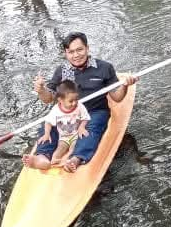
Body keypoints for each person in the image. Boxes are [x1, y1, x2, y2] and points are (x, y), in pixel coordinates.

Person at [32, 32, 137, 173]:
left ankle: (76, 159)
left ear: (87, 48)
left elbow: (117, 98)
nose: (76, 55)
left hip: (94, 111)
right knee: (47, 127)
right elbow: (48, 98)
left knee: (91, 130)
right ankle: (42, 156)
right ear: (66, 53)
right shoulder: (61, 72)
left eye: (79, 50)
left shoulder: (104, 68)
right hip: (67, 111)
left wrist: (125, 86)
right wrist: (41, 90)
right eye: (71, 52)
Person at [22, 80, 89, 170]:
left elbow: (85, 117)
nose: (74, 103)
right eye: (71, 101)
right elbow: (48, 122)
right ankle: (47, 163)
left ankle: (69, 161)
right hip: (63, 137)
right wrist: (46, 134)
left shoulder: (80, 106)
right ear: (60, 100)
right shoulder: (56, 110)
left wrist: (81, 127)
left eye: (76, 99)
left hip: (75, 135)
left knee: (73, 148)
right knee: (60, 149)